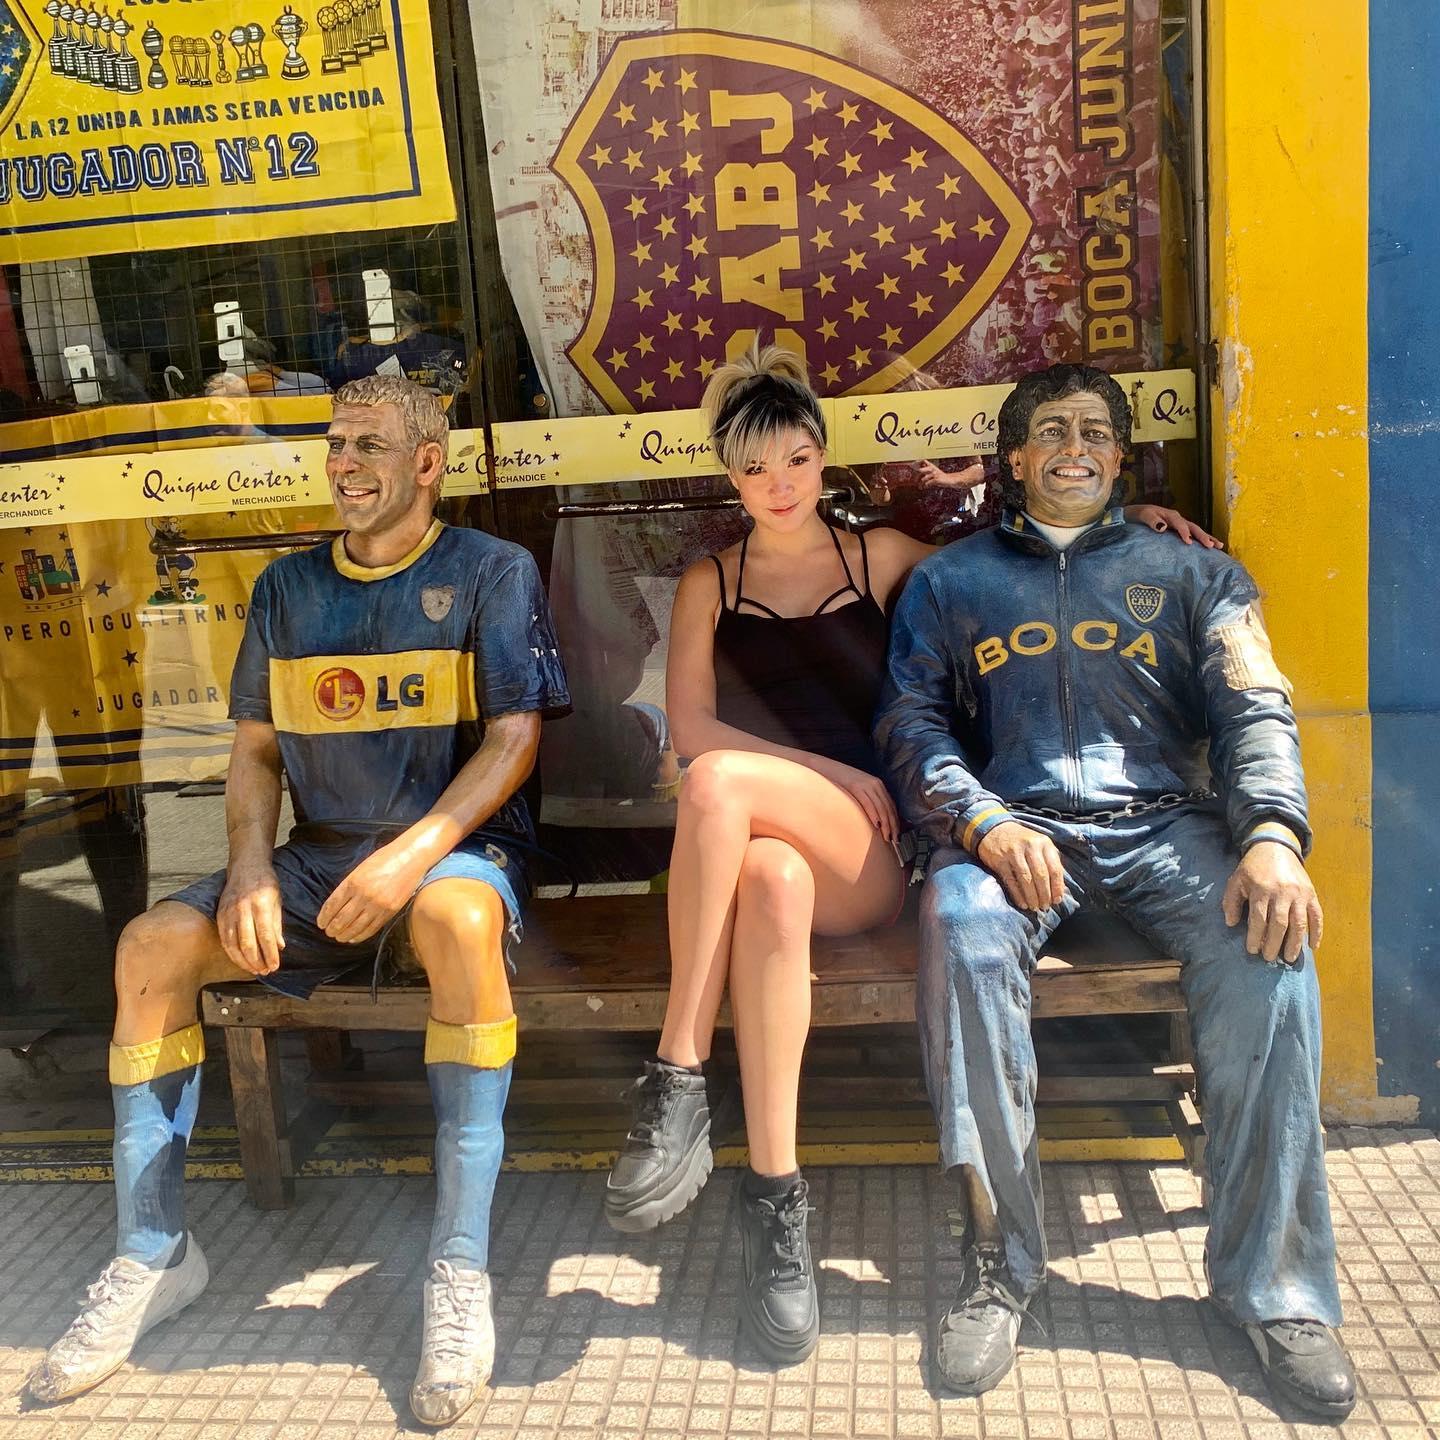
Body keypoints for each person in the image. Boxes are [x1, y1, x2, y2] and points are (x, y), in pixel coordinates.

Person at [602, 344, 1210, 1366]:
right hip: (786, 836)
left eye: (797, 461)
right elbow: (691, 726)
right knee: (765, 871)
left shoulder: (878, 556)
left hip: (874, 852)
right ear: (731, 477)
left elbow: (1015, 556)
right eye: (756, 470)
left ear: (821, 456)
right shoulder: (710, 581)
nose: (780, 486)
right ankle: (775, 1201)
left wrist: (1121, 522)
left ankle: (675, 1076)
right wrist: (822, 773)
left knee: (713, 790)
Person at [25, 375, 570, 1429]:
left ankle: (457, 1269)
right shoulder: (286, 588)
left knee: (457, 921)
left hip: (456, 856)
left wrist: (410, 857)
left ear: (428, 464)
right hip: (317, 866)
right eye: (335, 443)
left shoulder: (491, 570)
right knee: (148, 948)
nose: (343, 463)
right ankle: (154, 1253)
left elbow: (514, 739)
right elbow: (256, 754)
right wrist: (249, 868)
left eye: (369, 444)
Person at [875, 363, 1354, 1419]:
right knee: (960, 925)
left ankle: (1277, 1291)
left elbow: (1255, 708)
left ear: (1121, 455)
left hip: (1166, 826)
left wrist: (1273, 836)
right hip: (1016, 828)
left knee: (1273, 944)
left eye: (1095, 431)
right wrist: (981, 822)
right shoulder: (949, 584)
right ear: (1013, 459)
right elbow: (910, 723)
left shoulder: (1196, 575)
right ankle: (999, 1264)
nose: (1075, 449)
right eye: (1051, 432)